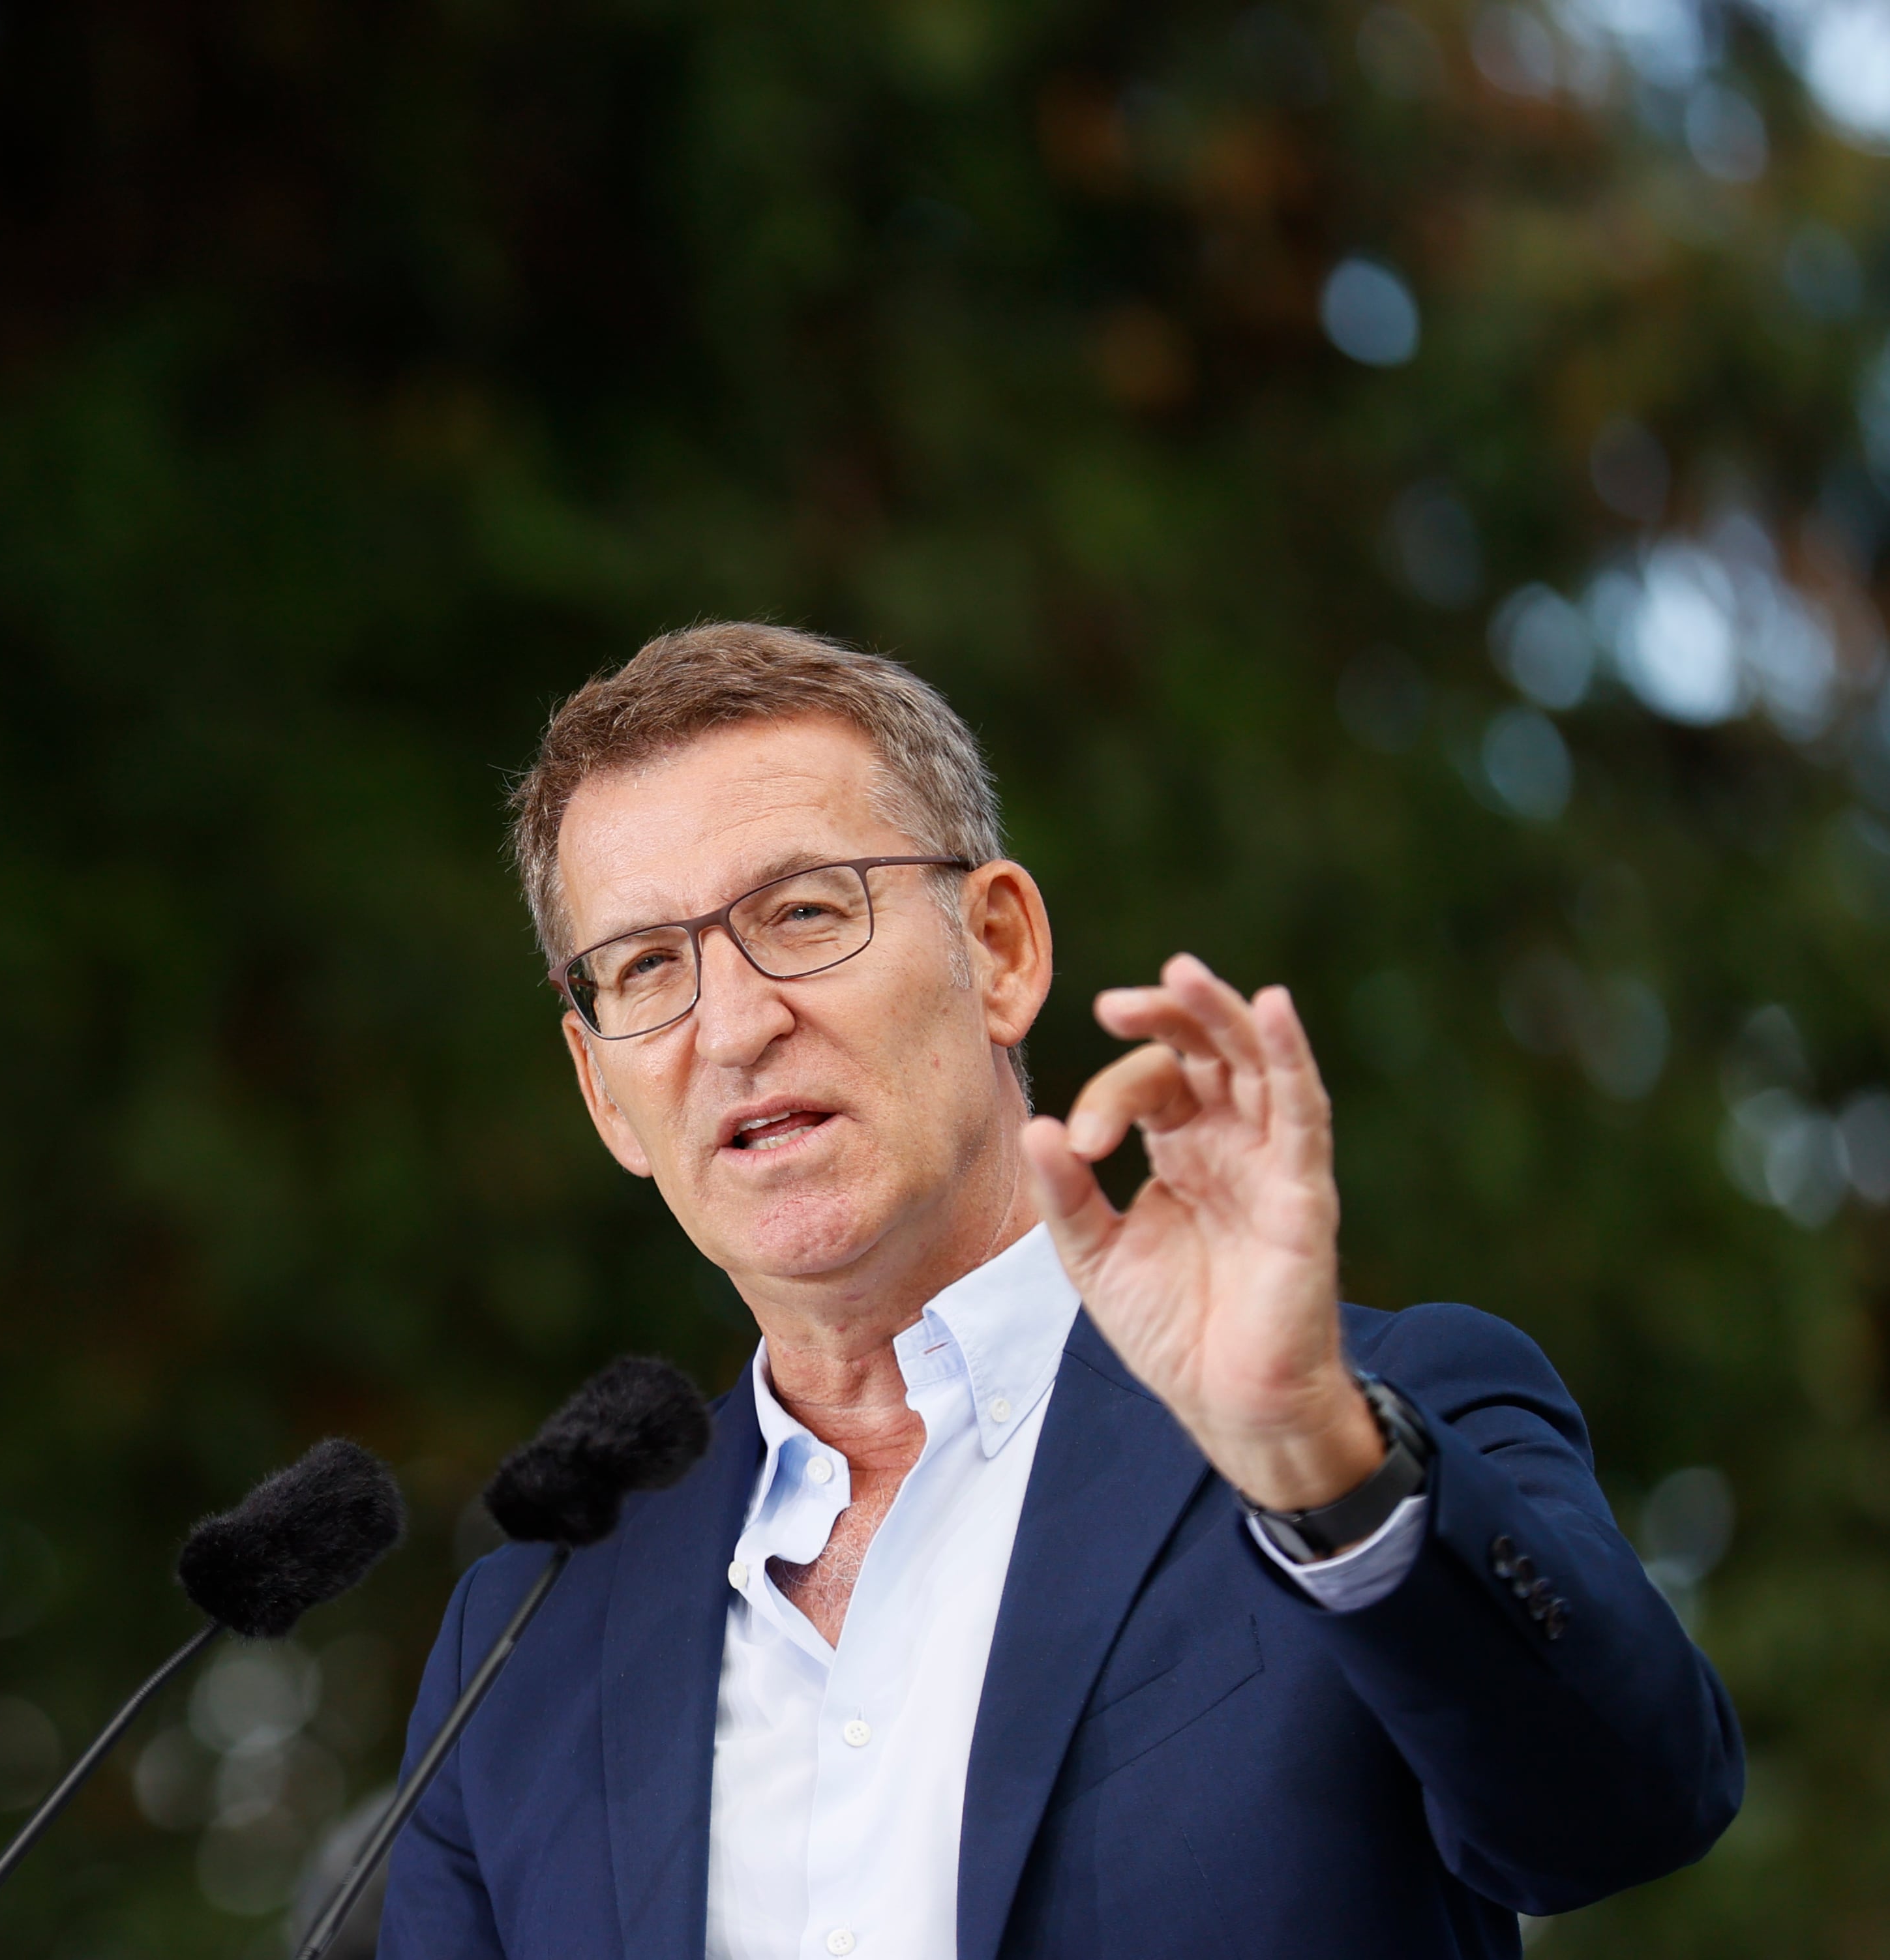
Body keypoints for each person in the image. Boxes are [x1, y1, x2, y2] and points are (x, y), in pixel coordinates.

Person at [376, 623, 1741, 1960]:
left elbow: (1624, 1813)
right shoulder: (521, 1647)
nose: (731, 1026)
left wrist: (1310, 1455)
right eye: (647, 967)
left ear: (1000, 950)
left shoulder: (1362, 1432)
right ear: (600, 1088)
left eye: (800, 913)